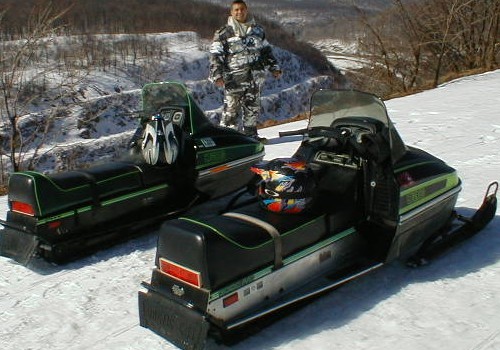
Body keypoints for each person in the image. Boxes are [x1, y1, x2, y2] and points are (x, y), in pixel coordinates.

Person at [209, 0, 282, 141]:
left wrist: (274, 67)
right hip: (234, 79)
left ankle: (251, 137)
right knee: (231, 111)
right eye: (236, 9)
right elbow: (215, 55)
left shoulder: (257, 31)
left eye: (242, 9)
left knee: (252, 109)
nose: (239, 12)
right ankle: (228, 140)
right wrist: (217, 74)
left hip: (254, 78)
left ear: (246, 10)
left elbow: (266, 51)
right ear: (231, 12)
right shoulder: (224, 32)